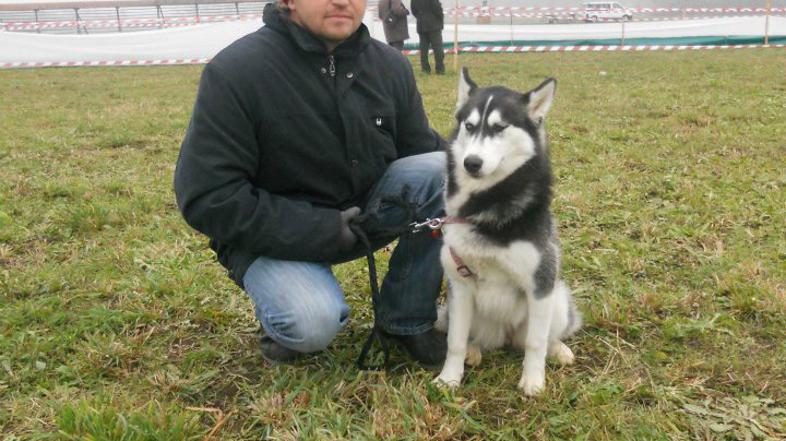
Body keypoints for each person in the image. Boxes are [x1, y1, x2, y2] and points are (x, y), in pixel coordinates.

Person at [174, 0, 448, 367]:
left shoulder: (390, 66)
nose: (341, 1)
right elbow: (208, 195)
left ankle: (405, 320)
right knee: (311, 322)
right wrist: (321, 229)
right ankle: (287, 321)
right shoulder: (237, 71)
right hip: (272, 236)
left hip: (364, 218)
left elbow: (422, 152)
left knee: (448, 171)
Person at [411, 0, 445, 74]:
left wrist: (420, 17)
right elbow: (437, 8)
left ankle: (425, 69)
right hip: (434, 25)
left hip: (421, 24)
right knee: (437, 48)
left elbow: (413, 10)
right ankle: (440, 69)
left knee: (423, 49)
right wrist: (440, 19)